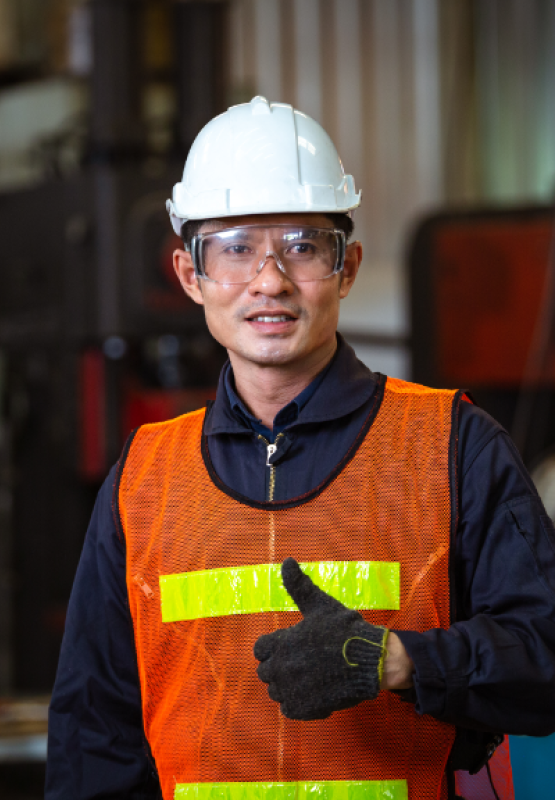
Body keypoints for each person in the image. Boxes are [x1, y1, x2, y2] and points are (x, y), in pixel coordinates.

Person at [46, 97, 555, 800]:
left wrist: (402, 660)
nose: (269, 280)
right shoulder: (143, 478)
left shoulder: (452, 447)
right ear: (190, 277)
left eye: (302, 246)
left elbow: (547, 659)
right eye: (236, 248)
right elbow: (93, 734)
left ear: (347, 270)